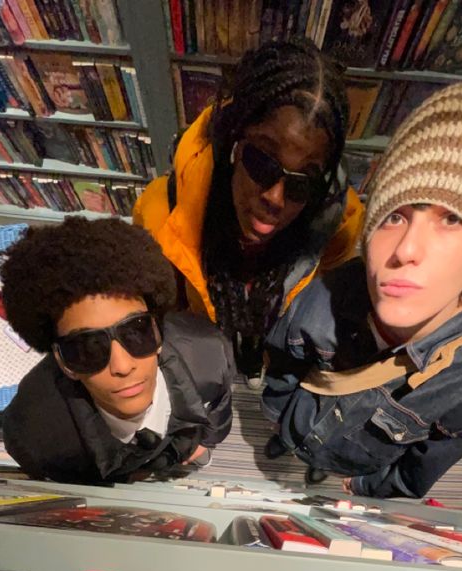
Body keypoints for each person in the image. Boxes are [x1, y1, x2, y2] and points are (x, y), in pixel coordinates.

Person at [262, 81, 462, 497]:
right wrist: (281, 416)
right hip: (298, 420)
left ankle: (323, 467)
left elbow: (424, 464)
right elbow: (284, 359)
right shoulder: (325, 298)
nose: (405, 249)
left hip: (355, 461)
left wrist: (367, 485)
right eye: (393, 217)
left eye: (451, 220)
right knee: (288, 440)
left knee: (327, 470)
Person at [133, 38, 364, 388]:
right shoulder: (159, 213)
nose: (275, 197)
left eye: (303, 183)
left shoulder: (341, 226)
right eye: (261, 161)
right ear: (233, 141)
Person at [0, 216, 233, 485]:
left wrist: (205, 440)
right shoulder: (35, 434)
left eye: (137, 331)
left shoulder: (209, 354)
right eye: (87, 348)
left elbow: (220, 407)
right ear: (62, 361)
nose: (122, 366)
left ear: (157, 329)